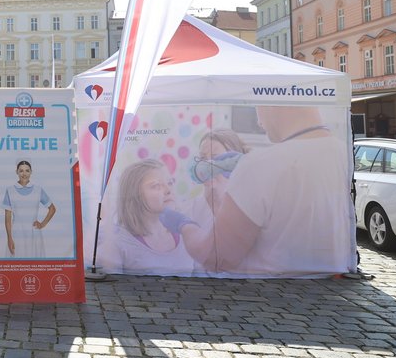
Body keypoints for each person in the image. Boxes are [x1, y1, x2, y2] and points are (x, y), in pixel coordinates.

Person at [169, 105, 353, 276]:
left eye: (258, 107)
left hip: (273, 296)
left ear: (272, 102)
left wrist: (184, 225)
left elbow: (218, 257)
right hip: (330, 292)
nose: (259, 121)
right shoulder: (343, 153)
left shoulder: (259, 165)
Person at [99, 158, 194, 274]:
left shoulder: (186, 235)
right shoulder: (117, 244)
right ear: (134, 195)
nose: (168, 190)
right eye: (156, 186)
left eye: (170, 182)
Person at [185, 129, 248, 227]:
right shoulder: (189, 210)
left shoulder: (249, 208)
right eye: (202, 158)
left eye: (215, 158)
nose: (207, 165)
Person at [3, 160, 56, 257]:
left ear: (31, 172)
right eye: (21, 171)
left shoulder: (38, 190)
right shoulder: (10, 191)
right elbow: (7, 218)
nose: (24, 174)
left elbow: (52, 209)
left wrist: (42, 224)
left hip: (34, 234)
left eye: (27, 171)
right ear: (17, 172)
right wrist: (9, 238)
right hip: (16, 234)